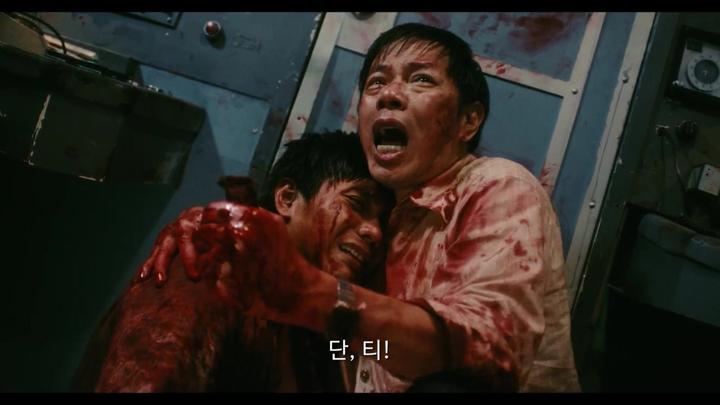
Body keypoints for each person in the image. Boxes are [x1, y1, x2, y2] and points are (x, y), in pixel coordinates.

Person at [141, 23, 580, 392]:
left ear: (469, 120)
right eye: (376, 83)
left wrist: (313, 295)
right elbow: (372, 349)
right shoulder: (388, 222)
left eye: (421, 79)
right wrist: (217, 225)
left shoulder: (497, 185)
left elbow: (484, 356)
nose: (389, 95)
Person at [73, 131, 392, 392]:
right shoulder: (205, 277)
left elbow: (372, 353)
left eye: (383, 223)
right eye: (356, 203)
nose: (374, 232)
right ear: (287, 198)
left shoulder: (307, 315)